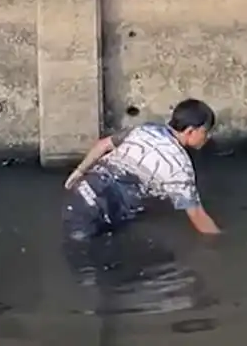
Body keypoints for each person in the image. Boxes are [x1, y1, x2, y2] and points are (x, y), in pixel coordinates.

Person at [62, 98, 222, 241]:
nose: (207, 137)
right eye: (205, 132)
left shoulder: (146, 129)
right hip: (102, 211)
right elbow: (198, 216)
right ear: (190, 131)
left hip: (79, 193)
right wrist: (222, 242)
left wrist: (78, 172)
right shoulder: (179, 168)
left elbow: (103, 144)